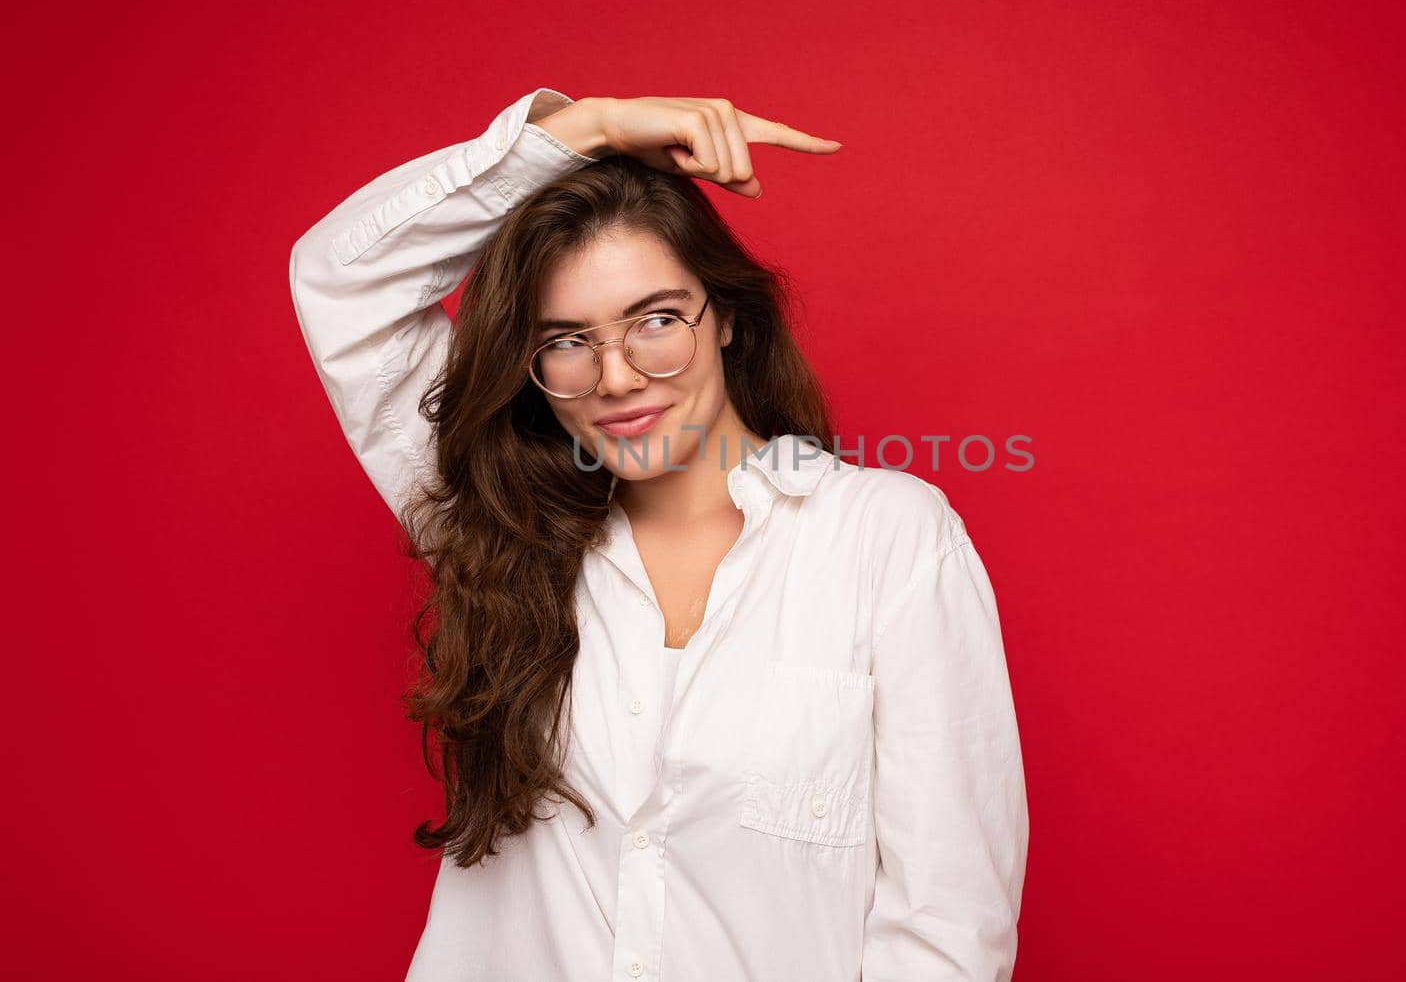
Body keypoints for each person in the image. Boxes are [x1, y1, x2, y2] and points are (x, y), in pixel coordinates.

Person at [288, 87, 1029, 980]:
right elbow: (340, 278)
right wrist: (583, 131)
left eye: (656, 321)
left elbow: (947, 927)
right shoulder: (502, 524)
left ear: (727, 317)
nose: (617, 376)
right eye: (567, 339)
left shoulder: (884, 538)